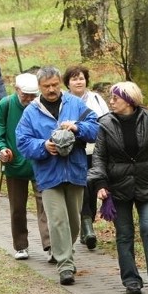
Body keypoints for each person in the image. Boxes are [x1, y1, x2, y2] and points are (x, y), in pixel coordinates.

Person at [88, 81, 148, 294]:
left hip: (147, 182)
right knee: (124, 234)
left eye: (115, 98)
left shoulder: (147, 119)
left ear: (129, 101)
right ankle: (131, 279)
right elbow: (99, 157)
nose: (111, 102)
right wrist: (100, 184)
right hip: (118, 186)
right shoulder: (105, 124)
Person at [16, 66, 98, 285]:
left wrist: (77, 128)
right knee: (57, 220)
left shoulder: (75, 104)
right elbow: (22, 142)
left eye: (54, 85)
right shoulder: (31, 112)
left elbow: (96, 128)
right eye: (46, 86)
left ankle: (63, 250)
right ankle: (65, 265)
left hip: (75, 171)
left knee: (73, 222)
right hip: (48, 174)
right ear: (39, 87)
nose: (51, 90)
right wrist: (44, 146)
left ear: (60, 83)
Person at [0, 73, 51, 260]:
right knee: (17, 208)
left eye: (33, 95)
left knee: (46, 205)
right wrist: (1, 150)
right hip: (15, 164)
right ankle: (21, 246)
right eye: (26, 95)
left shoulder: (43, 104)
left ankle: (50, 246)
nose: (30, 99)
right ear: (17, 90)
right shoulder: (6, 105)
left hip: (41, 162)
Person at [63, 65, 109, 250]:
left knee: (92, 186)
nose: (78, 81)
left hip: (97, 151)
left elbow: (107, 122)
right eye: (74, 79)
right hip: (74, 152)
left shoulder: (96, 99)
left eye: (81, 78)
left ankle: (87, 226)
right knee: (82, 188)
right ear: (68, 82)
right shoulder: (63, 101)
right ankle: (87, 226)